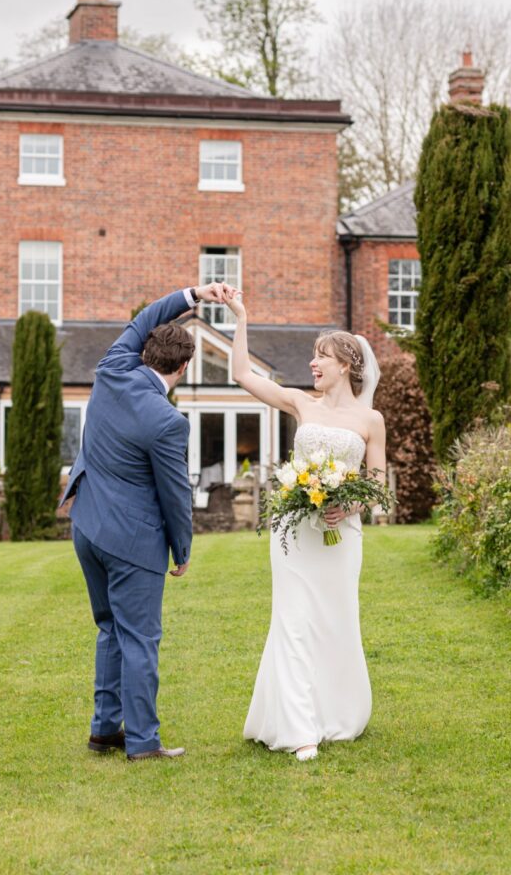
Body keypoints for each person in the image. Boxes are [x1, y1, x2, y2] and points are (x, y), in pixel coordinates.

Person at [61, 282, 237, 762]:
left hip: (87, 527)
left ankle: (104, 731)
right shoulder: (166, 421)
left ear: (144, 351)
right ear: (184, 367)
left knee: (110, 629)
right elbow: (176, 494)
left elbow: (144, 317)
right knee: (139, 637)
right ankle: (141, 742)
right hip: (130, 540)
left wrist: (194, 293)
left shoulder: (112, 367)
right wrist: (182, 550)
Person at [223, 289, 386, 761]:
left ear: (347, 365)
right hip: (294, 533)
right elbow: (240, 374)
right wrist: (241, 316)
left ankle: (335, 712)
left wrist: (347, 507)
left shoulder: (370, 420)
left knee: (334, 622)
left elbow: (375, 483)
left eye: (322, 356)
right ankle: (299, 730)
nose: (313, 363)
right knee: (293, 621)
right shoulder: (300, 403)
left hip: (341, 537)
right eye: (314, 356)